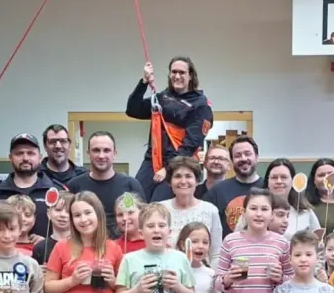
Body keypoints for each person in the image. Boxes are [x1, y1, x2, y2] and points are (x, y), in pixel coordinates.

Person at [126, 57, 213, 200]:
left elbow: (190, 145)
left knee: (159, 207)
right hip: (152, 161)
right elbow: (132, 110)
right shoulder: (163, 98)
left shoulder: (201, 105)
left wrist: (168, 169)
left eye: (182, 72)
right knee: (133, 201)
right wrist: (144, 82)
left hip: (178, 164)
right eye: (174, 72)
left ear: (190, 76)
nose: (177, 76)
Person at [68, 132, 144, 238]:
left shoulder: (130, 185)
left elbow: (143, 220)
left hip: (124, 250)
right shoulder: (75, 185)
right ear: (88, 153)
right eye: (96, 150)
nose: (101, 155)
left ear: (115, 154)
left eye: (106, 150)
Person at [0, 133, 57, 237]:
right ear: (10, 158)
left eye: (31, 153)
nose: (25, 158)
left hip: (47, 253)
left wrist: (47, 244)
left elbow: (68, 232)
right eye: (19, 153)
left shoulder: (56, 192)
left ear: (40, 157)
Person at [205, 135, 262, 235]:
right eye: (238, 155)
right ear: (232, 161)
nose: (243, 158)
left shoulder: (268, 188)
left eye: (247, 154)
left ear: (257, 157)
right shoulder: (217, 191)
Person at [159, 156, 222, 245]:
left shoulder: (211, 210)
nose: (183, 181)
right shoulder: (159, 210)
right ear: (170, 182)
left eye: (188, 176)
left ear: (197, 181)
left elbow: (216, 252)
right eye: (177, 176)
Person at [260, 159, 320, 235]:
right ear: (267, 182)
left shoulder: (305, 212)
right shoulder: (256, 209)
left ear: (292, 182)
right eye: (274, 177)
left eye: (284, 177)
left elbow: (318, 241)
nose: (279, 181)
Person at [308, 158, 334, 236]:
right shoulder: (305, 204)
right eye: (321, 175)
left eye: (331, 174)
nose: (326, 178)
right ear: (314, 180)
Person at [40, 123, 85, 187]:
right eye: (52, 141)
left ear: (69, 145)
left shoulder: (83, 175)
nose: (58, 146)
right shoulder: (36, 175)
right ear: (45, 146)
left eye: (63, 141)